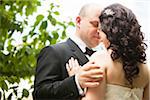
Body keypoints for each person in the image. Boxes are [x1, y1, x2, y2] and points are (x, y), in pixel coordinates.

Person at [67, 3, 149, 100]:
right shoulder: (145, 69)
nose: (99, 37)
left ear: (110, 32)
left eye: (101, 30)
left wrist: (76, 79)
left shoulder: (100, 61)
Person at [33, 3, 104, 100]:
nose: (99, 31)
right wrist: (76, 82)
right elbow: (40, 94)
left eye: (103, 28)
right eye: (95, 25)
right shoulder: (54, 52)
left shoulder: (103, 57)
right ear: (78, 22)